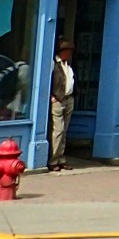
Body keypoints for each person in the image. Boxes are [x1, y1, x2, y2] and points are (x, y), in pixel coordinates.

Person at [48, 42, 75, 172]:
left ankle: (61, 159)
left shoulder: (68, 65)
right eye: (67, 51)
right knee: (58, 130)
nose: (69, 54)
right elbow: (47, 81)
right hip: (58, 99)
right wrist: (51, 97)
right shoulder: (54, 64)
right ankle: (53, 160)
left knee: (64, 131)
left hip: (68, 98)